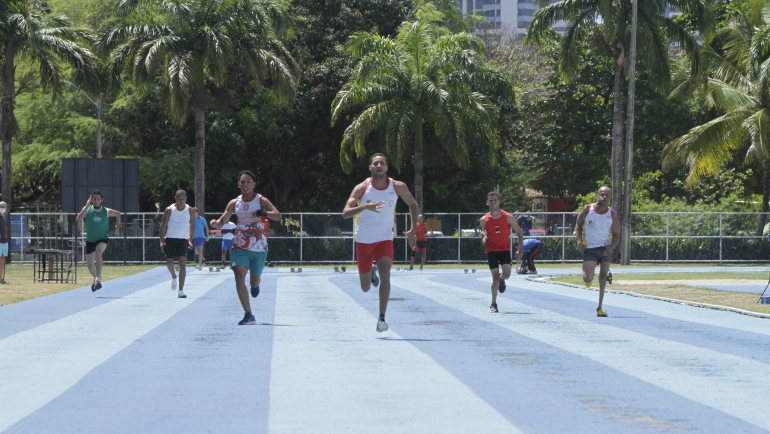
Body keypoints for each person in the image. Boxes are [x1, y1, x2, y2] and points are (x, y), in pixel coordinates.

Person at [342, 153, 418, 332]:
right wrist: (365, 206)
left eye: (382, 163)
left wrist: (413, 230)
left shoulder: (397, 186)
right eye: (375, 163)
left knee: (387, 274)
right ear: (370, 167)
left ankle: (381, 318)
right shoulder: (362, 188)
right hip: (364, 241)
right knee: (365, 287)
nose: (378, 165)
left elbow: (413, 205)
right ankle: (371, 275)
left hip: (384, 239)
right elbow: (345, 212)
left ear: (386, 167)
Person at [209, 170, 281, 325]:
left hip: (259, 245)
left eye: (248, 181)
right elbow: (222, 221)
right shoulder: (234, 203)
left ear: (254, 184)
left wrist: (262, 212)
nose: (245, 184)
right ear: (238, 184)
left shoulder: (261, 200)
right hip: (240, 244)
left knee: (254, 280)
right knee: (239, 276)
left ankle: (255, 285)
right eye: (242, 182)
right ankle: (249, 314)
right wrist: (215, 223)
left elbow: (277, 215)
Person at [575, 186, 620, 317]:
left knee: (603, 277)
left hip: (605, 248)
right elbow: (578, 225)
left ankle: (600, 307)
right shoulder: (588, 209)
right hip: (590, 249)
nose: (604, 197)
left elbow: (617, 233)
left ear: (610, 198)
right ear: (597, 195)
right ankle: (589, 278)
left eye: (607, 195)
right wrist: (580, 241)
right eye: (602, 194)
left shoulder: (611, 213)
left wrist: (612, 247)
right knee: (587, 278)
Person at [480, 192, 523, 313]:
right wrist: (484, 238)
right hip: (491, 250)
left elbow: (519, 233)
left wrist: (520, 250)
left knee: (507, 274)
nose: (493, 202)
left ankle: (502, 279)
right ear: (487, 202)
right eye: (490, 200)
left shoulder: (507, 217)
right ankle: (493, 304)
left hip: (504, 249)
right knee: (494, 278)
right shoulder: (484, 220)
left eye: (495, 200)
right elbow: (483, 234)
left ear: (499, 201)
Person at [76, 190, 121, 292]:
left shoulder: (106, 211)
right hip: (90, 240)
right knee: (90, 266)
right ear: (91, 199)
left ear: (102, 200)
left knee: (99, 252)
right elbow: (78, 219)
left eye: (98, 199)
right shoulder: (88, 209)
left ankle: (98, 278)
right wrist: (87, 206)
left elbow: (118, 214)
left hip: (102, 239)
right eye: (94, 199)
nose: (96, 201)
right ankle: (97, 280)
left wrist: (117, 227)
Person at [159, 190, 195, 298]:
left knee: (182, 265)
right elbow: (163, 225)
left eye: (183, 199)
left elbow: (192, 225)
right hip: (170, 238)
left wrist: (190, 239)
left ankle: (181, 290)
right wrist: (161, 240)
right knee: (169, 262)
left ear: (186, 198)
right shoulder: (169, 210)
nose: (181, 201)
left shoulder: (190, 210)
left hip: (183, 240)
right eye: (179, 199)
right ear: (175, 198)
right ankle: (174, 276)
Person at [0, 201, 8, 284]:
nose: (2, 208)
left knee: (2, 258)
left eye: (3, 207)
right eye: (0, 206)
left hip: (3, 241)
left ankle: (1, 278)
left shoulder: (4, 217)